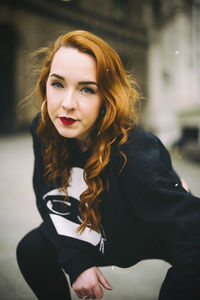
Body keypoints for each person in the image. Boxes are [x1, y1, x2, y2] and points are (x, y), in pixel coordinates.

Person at [16, 30, 200, 300]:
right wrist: (77, 262)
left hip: (141, 228)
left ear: (107, 97)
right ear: (45, 84)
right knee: (32, 248)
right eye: (57, 84)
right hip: (95, 226)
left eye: (87, 89)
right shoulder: (43, 128)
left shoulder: (132, 153)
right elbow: (49, 199)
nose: (67, 104)